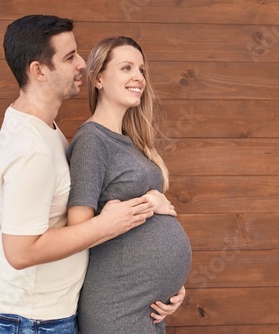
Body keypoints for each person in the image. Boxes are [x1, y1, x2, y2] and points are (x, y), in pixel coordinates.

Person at [0, 15, 184, 334]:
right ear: (38, 70)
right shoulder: (32, 147)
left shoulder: (46, 131)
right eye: (69, 57)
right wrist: (133, 211)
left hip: (51, 311)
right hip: (34, 319)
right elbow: (20, 252)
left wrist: (162, 280)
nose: (81, 64)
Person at [66, 36, 192, 334]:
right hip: (117, 306)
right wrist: (151, 202)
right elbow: (77, 232)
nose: (138, 77)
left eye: (141, 69)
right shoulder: (92, 141)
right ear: (98, 78)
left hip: (147, 307)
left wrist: (172, 285)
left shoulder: (130, 141)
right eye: (126, 68)